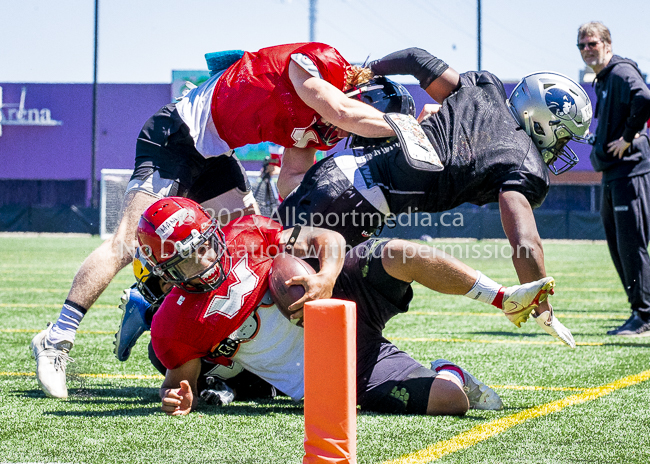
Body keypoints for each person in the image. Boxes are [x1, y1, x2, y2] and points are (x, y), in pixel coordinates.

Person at [30, 42, 398, 399]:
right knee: (127, 242)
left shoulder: (322, 122)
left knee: (247, 256)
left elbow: (292, 178)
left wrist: (327, 208)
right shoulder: (320, 66)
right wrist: (407, 131)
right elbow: (342, 111)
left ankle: (152, 308)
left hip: (213, 153)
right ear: (358, 90)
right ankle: (57, 337)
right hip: (176, 135)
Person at [277, 47, 592, 347]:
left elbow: (415, 58)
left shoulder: (485, 89)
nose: (562, 147)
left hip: (344, 178)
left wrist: (366, 71)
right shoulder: (524, 162)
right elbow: (525, 241)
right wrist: (541, 306)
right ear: (541, 119)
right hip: (353, 201)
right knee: (274, 280)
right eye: (563, 135)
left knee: (292, 281)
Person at [136, 197, 565, 416]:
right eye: (187, 258)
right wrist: (176, 396)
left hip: (339, 297)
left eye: (206, 245)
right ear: (165, 269)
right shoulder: (175, 322)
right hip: (333, 373)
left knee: (399, 253)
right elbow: (178, 382)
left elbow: (329, 240)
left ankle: (502, 298)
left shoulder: (246, 235)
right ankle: (450, 370)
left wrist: (324, 278)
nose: (207, 259)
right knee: (451, 400)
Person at [577, 22, 650, 336]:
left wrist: (628, 137)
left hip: (629, 171)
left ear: (606, 43)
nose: (586, 50)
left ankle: (644, 316)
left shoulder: (620, 72)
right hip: (612, 173)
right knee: (620, 247)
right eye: (581, 46)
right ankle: (640, 310)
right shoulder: (603, 80)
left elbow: (644, 98)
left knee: (631, 246)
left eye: (591, 43)